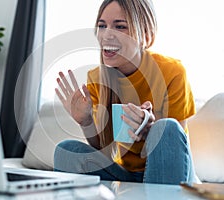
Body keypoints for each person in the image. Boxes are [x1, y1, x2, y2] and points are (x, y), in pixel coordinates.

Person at [54, 0, 198, 184]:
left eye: (120, 26)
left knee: (165, 127)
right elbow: (105, 150)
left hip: (173, 172)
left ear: (146, 34)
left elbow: (175, 142)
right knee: (67, 150)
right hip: (126, 175)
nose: (106, 35)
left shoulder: (172, 71)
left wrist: (149, 131)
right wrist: (86, 122)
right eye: (102, 26)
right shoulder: (97, 78)